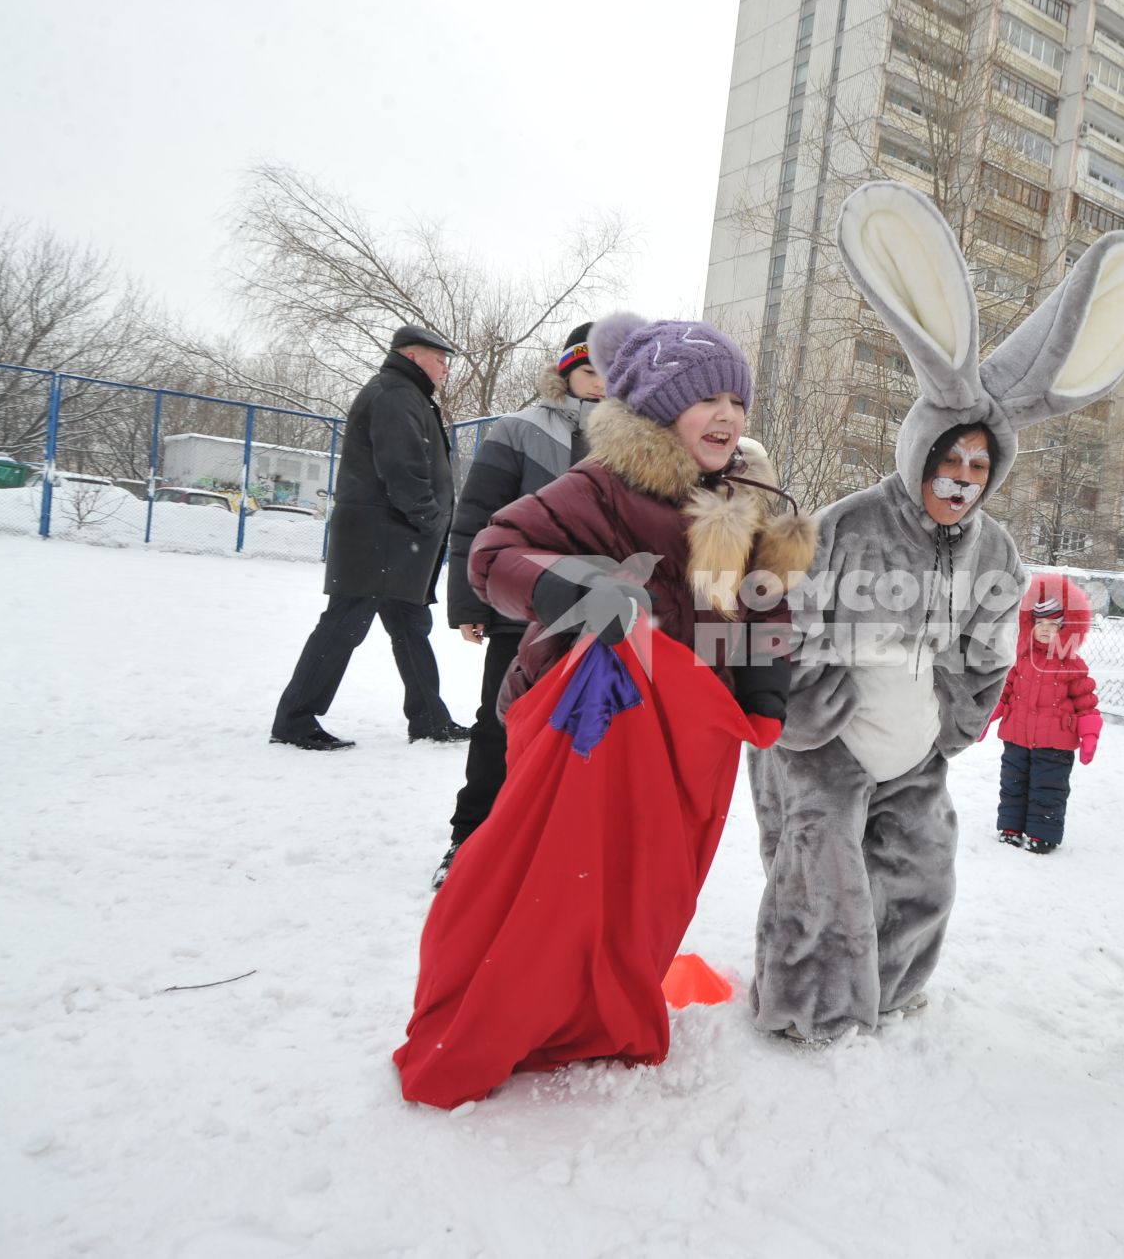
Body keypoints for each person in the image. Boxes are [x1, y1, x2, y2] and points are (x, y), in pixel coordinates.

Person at [749, 180, 1124, 1046]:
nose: (963, 477)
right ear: (920, 451)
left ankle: (891, 985)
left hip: (916, 739)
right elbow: (791, 623)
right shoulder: (850, 526)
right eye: (950, 457)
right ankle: (812, 1004)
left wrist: (959, 717)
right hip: (829, 740)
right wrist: (815, 712)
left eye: (980, 464)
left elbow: (991, 642)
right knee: (821, 869)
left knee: (920, 868)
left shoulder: (995, 549)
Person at [393, 312, 817, 1108]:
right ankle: (524, 998)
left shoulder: (746, 498)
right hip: (596, 716)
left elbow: (765, 601)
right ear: (659, 408)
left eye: (737, 399)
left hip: (692, 727)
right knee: (564, 875)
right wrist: (571, 590)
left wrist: (766, 682)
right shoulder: (605, 484)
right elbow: (495, 551)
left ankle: (607, 999)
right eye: (704, 398)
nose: (727, 415)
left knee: (654, 879)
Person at [431, 322, 603, 889]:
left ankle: (554, 847)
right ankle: (471, 836)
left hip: (602, 616)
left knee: (585, 734)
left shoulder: (642, 441)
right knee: (499, 724)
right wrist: (468, 601)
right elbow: (476, 515)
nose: (600, 383)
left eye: (613, 373)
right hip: (522, 608)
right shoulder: (521, 430)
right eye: (589, 370)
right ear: (566, 372)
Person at [270, 323, 469, 750]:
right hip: (382, 537)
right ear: (413, 356)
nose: (445, 369)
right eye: (440, 360)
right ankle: (294, 721)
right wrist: (431, 519)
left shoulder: (404, 392)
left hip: (395, 538)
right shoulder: (395, 394)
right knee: (343, 626)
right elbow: (401, 467)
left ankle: (430, 718)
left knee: (411, 627)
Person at [984, 574, 1102, 855]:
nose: (1046, 630)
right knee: (1013, 783)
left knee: (1048, 788)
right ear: (1030, 625)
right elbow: (1004, 692)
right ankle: (1010, 827)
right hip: (1017, 736)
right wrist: (985, 718)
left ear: (1067, 627)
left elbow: (1086, 702)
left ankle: (1042, 832)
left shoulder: (1072, 664)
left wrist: (1089, 734)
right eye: (1040, 624)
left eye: (1054, 625)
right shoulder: (1019, 659)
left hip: (1055, 743)